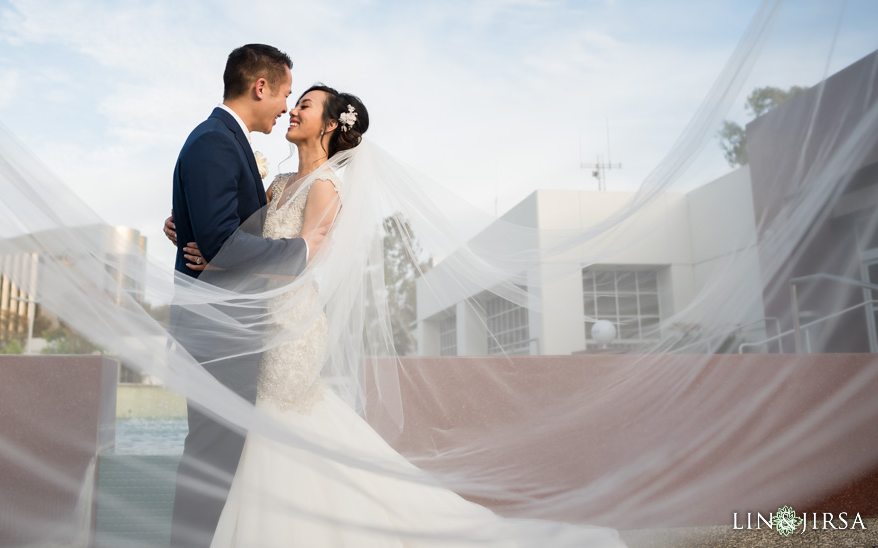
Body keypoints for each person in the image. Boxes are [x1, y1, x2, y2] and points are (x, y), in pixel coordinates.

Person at [163, 85, 627, 547]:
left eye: (303, 105)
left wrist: (222, 259)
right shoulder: (279, 185)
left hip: (289, 329)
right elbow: (241, 240)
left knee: (276, 425)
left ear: (328, 125)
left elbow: (298, 267)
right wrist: (191, 231)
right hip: (255, 327)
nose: (291, 111)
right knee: (259, 428)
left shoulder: (326, 186)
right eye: (293, 100)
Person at [167, 44, 324, 548]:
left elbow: (220, 231)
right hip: (218, 333)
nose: (286, 107)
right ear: (261, 87)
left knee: (223, 459)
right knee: (212, 462)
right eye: (283, 94)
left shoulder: (222, 140)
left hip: (237, 327)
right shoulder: (216, 142)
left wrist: (190, 225)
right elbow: (220, 242)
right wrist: (299, 250)